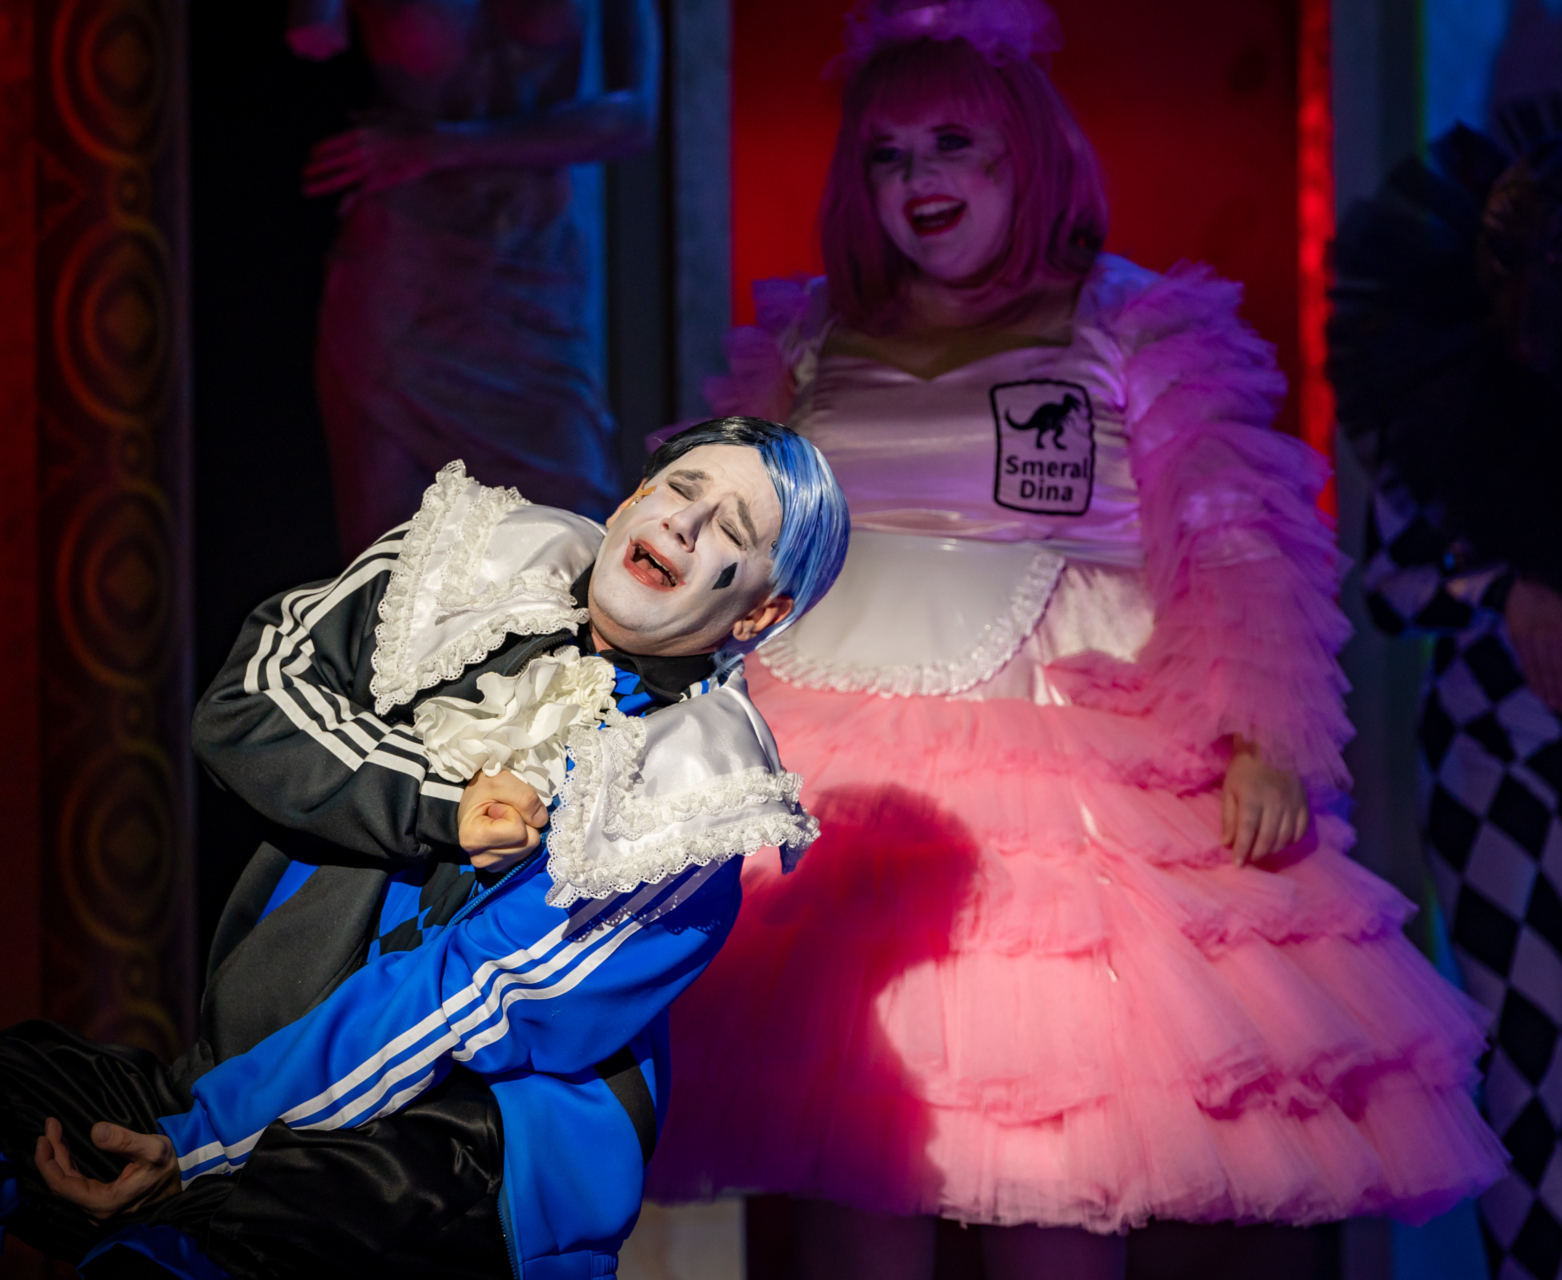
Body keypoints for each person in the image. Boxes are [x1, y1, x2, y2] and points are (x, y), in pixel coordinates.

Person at [645, 4, 1507, 1277]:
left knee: (1055, 1166)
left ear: (1025, 154)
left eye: (953, 143)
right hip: (840, 784)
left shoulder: (1128, 321)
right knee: (847, 1145)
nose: (918, 178)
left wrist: (1264, 736)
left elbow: (1234, 538)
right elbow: (738, 539)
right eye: (887, 153)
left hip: (1065, 780)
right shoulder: (813, 339)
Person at [0, 418, 850, 1280]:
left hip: (443, 1165)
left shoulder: (692, 793)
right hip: (230, 1083)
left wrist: (200, 1150)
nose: (688, 522)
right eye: (681, 487)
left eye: (733, 532)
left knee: (157, 1267)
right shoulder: (473, 563)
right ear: (634, 495)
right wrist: (442, 800)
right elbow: (246, 707)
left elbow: (458, 999)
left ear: (759, 614)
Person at [1334, 117, 1562, 1280]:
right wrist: (1504, 591)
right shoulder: (1446, 387)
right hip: (1497, 752)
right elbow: (1390, 582)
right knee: (1527, 1058)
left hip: (1501, 739)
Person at [288, 0, 659, 556]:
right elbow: (312, 36)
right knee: (391, 566)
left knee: (572, 547)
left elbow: (633, 119)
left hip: (534, 274)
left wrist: (441, 146)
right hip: (406, 274)